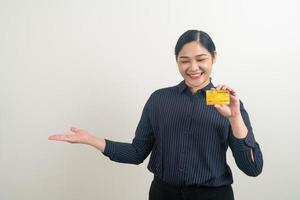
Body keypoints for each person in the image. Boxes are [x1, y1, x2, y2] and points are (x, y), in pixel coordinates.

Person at [48, 30, 263, 200]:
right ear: (176, 60)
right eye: (184, 60)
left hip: (213, 196)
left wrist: (234, 116)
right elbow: (136, 152)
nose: (193, 67)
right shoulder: (159, 100)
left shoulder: (227, 102)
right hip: (163, 194)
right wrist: (90, 140)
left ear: (213, 58)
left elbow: (252, 168)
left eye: (201, 59)